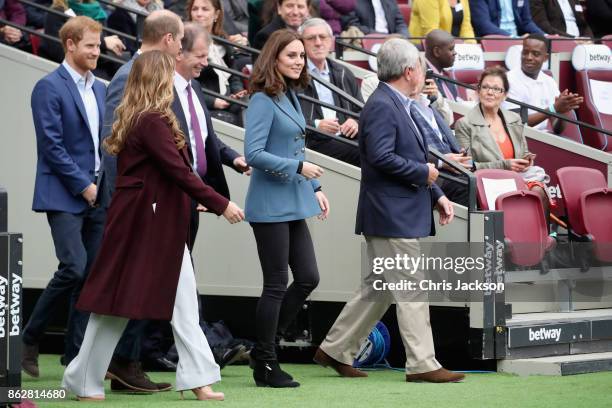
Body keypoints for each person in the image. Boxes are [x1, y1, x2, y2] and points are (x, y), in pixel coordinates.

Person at [61, 50, 245, 402]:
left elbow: (169, 175)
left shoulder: (148, 117)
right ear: (158, 79)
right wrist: (222, 203)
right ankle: (82, 377)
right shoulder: (150, 120)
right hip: (144, 225)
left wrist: (202, 200)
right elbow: (177, 172)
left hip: (156, 224)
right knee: (115, 307)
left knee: (181, 303)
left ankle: (198, 378)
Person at [314, 38, 463, 384]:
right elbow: (381, 158)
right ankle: (423, 363)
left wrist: (436, 192)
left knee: (379, 287)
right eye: (422, 68)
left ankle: (334, 349)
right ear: (409, 71)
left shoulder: (395, 102)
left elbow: (407, 158)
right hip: (389, 213)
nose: (424, 73)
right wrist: (424, 175)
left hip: (394, 210)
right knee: (411, 287)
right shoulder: (383, 105)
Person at [94, 9, 184, 393]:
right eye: (180, 40)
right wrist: (124, 203)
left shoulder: (148, 71)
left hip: (151, 204)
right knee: (115, 292)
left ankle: (123, 364)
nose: (182, 47)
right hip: (132, 204)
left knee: (137, 290)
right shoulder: (129, 74)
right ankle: (109, 365)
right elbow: (113, 141)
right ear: (167, 39)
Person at [244, 29, 330, 388]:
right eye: (291, 55)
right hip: (268, 205)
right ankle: (265, 361)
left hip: (294, 200)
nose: (298, 61)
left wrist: (316, 187)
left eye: (301, 55)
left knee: (308, 277)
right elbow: (253, 154)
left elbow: (297, 150)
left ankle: (259, 348)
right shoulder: (263, 100)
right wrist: (299, 170)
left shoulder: (290, 95)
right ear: (274, 58)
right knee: (277, 283)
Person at [23, 15, 106, 379]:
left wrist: (103, 188)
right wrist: (83, 185)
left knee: (91, 276)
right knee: (73, 266)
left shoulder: (101, 88)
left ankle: (75, 358)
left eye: (98, 45)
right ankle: (29, 337)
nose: (96, 52)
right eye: (90, 45)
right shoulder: (48, 87)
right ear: (70, 45)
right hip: (64, 193)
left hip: (100, 194)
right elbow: (52, 147)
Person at [454, 66, 550, 213]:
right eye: (485, 87)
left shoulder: (514, 119)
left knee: (538, 192)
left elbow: (523, 151)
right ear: (478, 91)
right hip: (489, 182)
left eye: (496, 89)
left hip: (517, 177)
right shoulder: (464, 124)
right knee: (524, 195)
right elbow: (467, 165)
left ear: (504, 95)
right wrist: (505, 165)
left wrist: (525, 161)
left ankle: (540, 235)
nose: (490, 92)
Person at [298, 18, 362, 166]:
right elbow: (286, 118)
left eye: (323, 37)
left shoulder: (344, 72)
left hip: (347, 137)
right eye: (311, 38)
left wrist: (355, 121)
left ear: (331, 41)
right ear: (301, 43)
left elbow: (361, 110)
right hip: (314, 141)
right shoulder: (295, 74)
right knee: (364, 150)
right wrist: (315, 125)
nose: (318, 42)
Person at [409, 58, 473, 206]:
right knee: (468, 186)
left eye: (425, 74)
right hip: (432, 170)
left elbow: (448, 121)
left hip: (453, 166)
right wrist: (442, 161)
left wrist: (436, 97)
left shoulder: (428, 103)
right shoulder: (401, 106)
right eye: (420, 74)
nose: (424, 79)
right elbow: (407, 149)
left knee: (481, 182)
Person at [504, 34, 583, 133]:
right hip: (520, 138)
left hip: (544, 139)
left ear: (545, 58)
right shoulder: (508, 80)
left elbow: (557, 129)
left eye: (535, 54)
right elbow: (518, 122)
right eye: (525, 52)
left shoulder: (549, 81)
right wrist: (553, 109)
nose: (529, 57)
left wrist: (563, 112)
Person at [187, 0, 248, 126]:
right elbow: (184, 83)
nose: (199, 14)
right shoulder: (185, 41)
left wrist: (237, 93)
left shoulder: (223, 41)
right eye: (195, 9)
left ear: (216, 14)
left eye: (205, 9)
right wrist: (214, 101)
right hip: (203, 104)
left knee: (253, 106)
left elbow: (233, 74)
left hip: (227, 101)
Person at [38, 0, 126, 78]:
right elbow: (58, 51)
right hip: (71, 67)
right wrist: (104, 42)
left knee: (124, 71)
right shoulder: (57, 11)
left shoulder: (97, 11)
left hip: (98, 61)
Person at [409, 0, 476, 43]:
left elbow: (466, 28)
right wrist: (454, 45)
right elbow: (432, 32)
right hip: (428, 49)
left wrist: (472, 47)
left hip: (454, 49)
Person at [470, 0, 544, 37]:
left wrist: (543, 36)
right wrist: (512, 38)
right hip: (493, 40)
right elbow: (484, 26)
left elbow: (526, 21)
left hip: (517, 40)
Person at [343, 0, 409, 37]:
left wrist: (403, 36)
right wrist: (383, 36)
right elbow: (352, 25)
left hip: (393, 42)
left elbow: (400, 22)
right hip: (367, 41)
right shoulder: (351, 2)